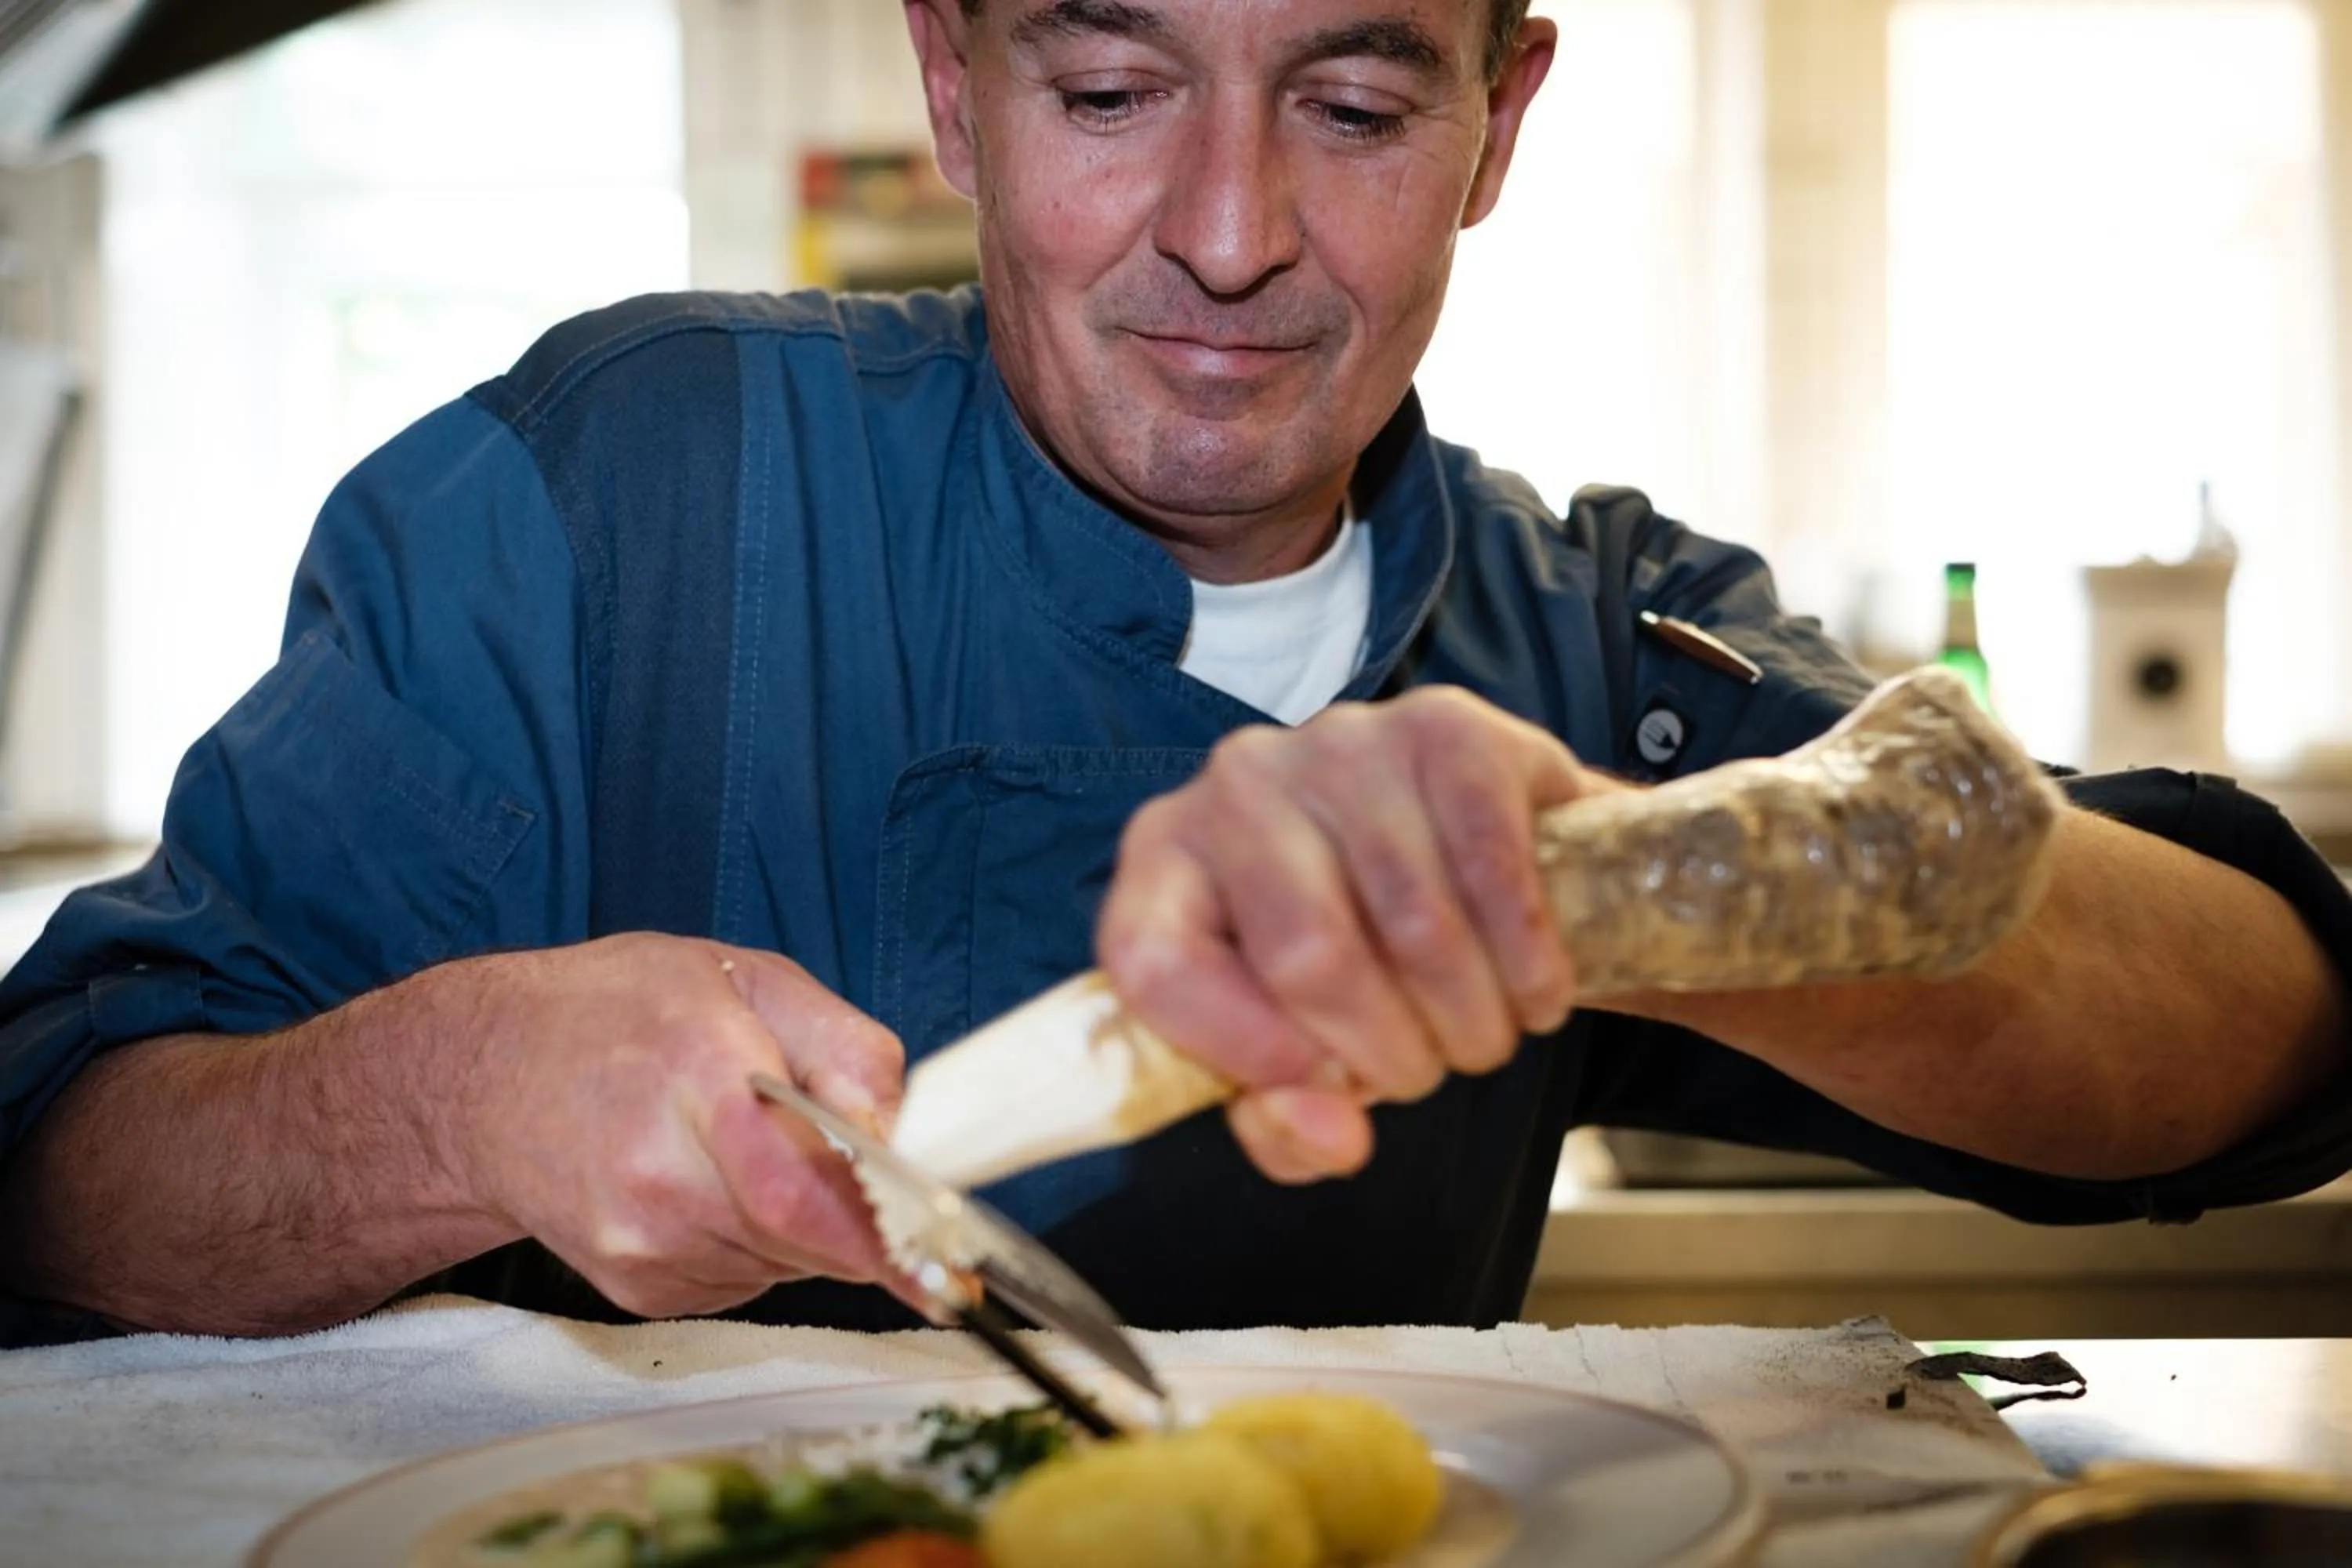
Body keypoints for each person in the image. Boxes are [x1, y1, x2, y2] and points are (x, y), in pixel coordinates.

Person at [1, 0, 2347, 1348]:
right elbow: (56, 1187)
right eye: (1111, 91)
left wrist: (1611, 886)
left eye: (1352, 106)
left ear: (1499, 121)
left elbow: (2263, 1035)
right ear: (952, 83)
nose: (1228, 239)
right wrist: (455, 1099)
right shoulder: (598, 502)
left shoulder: (1592, 642)